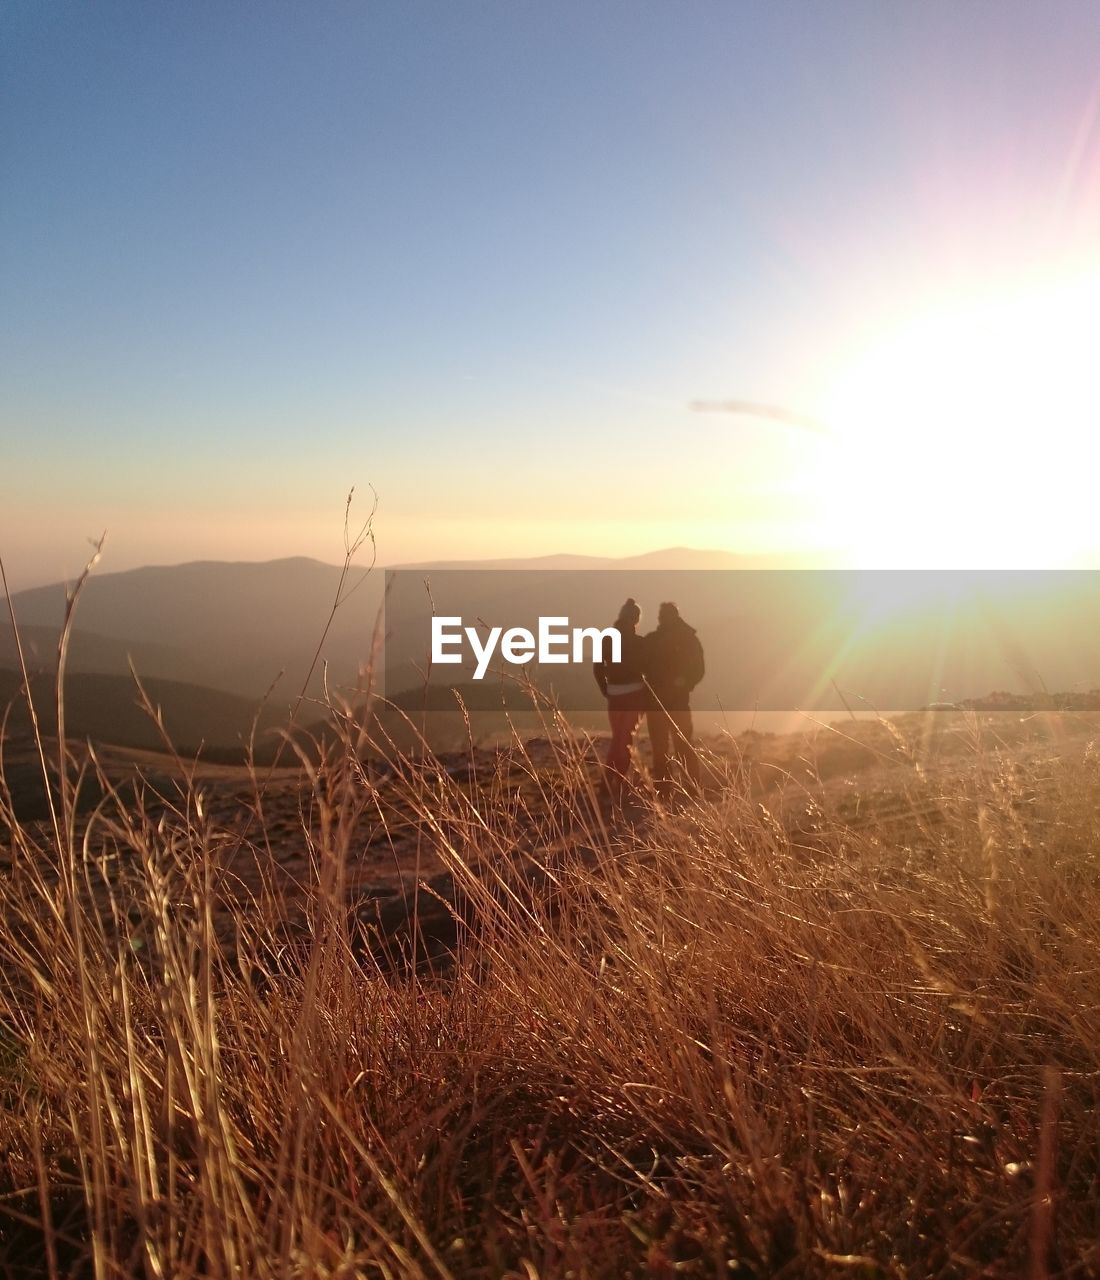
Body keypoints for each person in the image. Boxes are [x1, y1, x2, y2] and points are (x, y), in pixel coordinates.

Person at [643, 601, 704, 791]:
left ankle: (663, 791)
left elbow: (640, 669)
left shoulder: (652, 640)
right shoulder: (690, 639)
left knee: (660, 748)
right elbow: (699, 670)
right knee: (684, 745)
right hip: (679, 702)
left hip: (655, 703)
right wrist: (685, 686)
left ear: (661, 618)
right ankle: (692, 788)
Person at [593, 597, 648, 804]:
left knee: (618, 738)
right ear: (636, 619)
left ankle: (609, 783)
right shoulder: (639, 642)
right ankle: (614, 783)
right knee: (626, 740)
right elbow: (647, 670)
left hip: (614, 695)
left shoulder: (607, 639)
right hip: (635, 694)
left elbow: (598, 667)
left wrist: (605, 689)